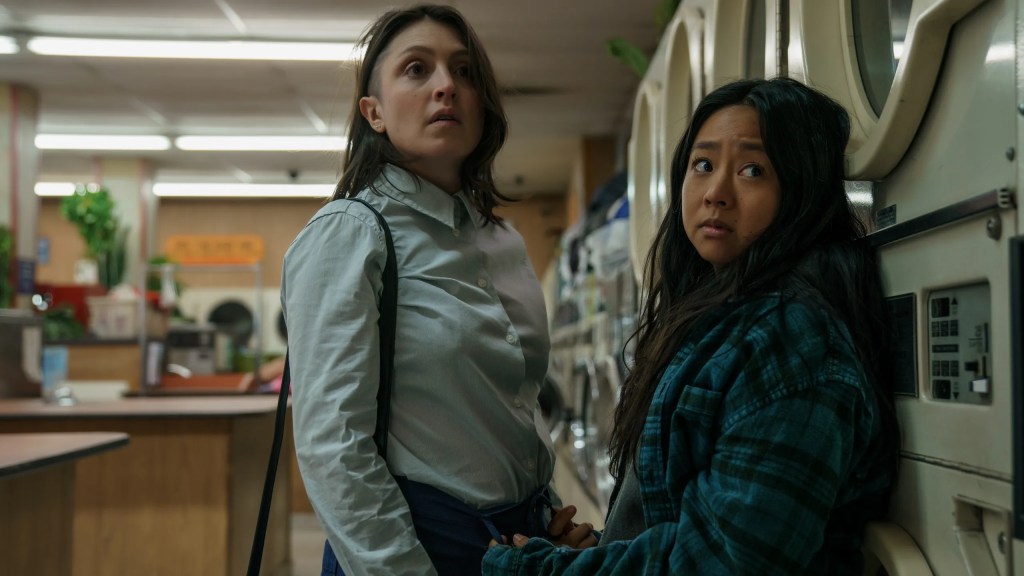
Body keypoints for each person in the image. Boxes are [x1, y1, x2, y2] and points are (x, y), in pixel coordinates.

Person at [483, 77, 900, 574]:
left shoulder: (791, 341)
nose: (716, 193)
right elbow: (679, 524)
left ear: (802, 190)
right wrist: (603, 547)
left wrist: (535, 571)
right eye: (702, 165)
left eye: (753, 169)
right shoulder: (722, 318)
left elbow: (723, 562)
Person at [281, 5, 592, 575]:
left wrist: (546, 520)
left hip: (520, 545)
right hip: (413, 546)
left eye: (465, 72)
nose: (447, 86)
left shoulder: (501, 241)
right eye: (417, 70)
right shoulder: (351, 233)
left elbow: (514, 403)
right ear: (373, 113)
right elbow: (333, 447)